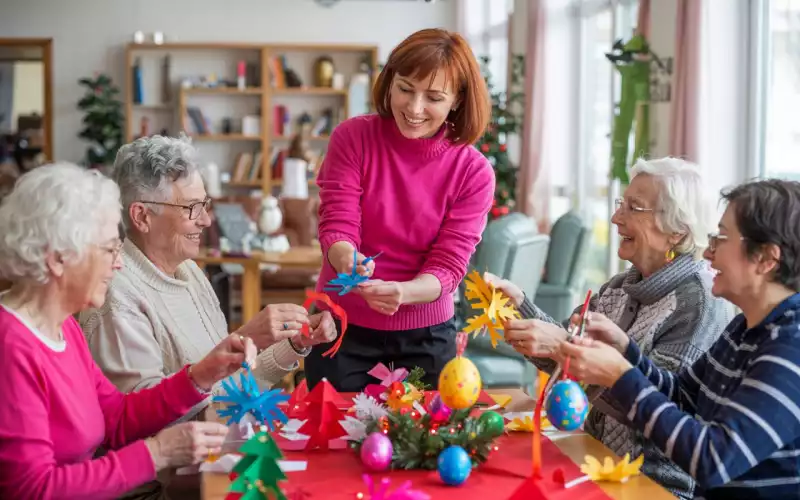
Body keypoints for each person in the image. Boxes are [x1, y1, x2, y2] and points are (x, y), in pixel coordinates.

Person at [0, 163, 257, 499]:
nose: (119, 263)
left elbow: (115, 418)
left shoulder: (62, 326)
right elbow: (32, 490)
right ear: (57, 258)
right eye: (109, 249)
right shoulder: (11, 347)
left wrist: (200, 375)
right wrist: (158, 453)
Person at [488, 157, 732, 498]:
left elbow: (662, 413)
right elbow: (569, 363)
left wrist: (560, 344)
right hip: (593, 459)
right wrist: (520, 309)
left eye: (634, 207)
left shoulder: (698, 305)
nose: (617, 218)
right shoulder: (622, 285)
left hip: (652, 484)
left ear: (676, 231)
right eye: (621, 204)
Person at [562, 179, 800, 500]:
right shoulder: (745, 326)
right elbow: (685, 396)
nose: (708, 250)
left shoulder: (790, 347)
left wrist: (619, 375)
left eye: (722, 238)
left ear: (766, 259)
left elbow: (713, 459)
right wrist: (626, 352)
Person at [304, 28, 495, 392]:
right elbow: (337, 224)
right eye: (405, 88)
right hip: (341, 326)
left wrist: (403, 293)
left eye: (434, 97)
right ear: (389, 82)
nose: (414, 107)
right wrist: (349, 261)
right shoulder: (352, 138)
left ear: (456, 100)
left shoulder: (473, 171)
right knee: (331, 444)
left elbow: (449, 265)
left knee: (424, 446)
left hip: (426, 337)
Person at [80, 135, 337, 402]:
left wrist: (294, 344)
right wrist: (245, 337)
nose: (205, 220)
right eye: (191, 208)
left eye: (205, 204)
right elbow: (148, 422)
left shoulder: (189, 272)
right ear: (142, 216)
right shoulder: (116, 299)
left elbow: (226, 390)